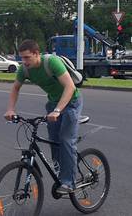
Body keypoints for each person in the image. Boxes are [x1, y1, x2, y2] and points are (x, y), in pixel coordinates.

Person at [4, 39, 82, 194]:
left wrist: (58, 110)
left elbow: (70, 87)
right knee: (54, 142)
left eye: (27, 57)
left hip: (71, 101)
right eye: (21, 58)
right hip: (53, 104)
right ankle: (61, 175)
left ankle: (69, 182)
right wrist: (10, 110)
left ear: (36, 54)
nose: (23, 61)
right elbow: (15, 89)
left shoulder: (51, 62)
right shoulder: (24, 70)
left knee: (66, 140)